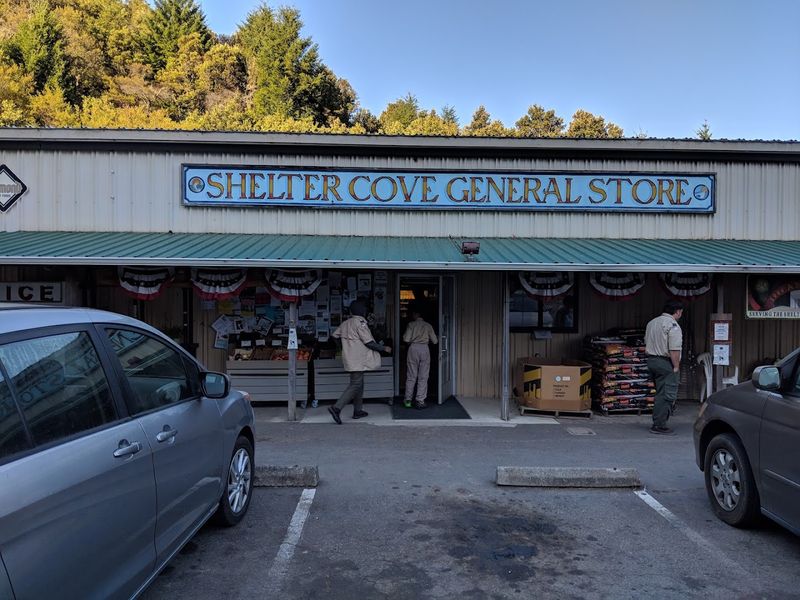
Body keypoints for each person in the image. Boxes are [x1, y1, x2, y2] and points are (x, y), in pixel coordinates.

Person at [328, 300, 391, 424]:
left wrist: (343, 347)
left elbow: (334, 336)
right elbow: (369, 342)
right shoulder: (360, 323)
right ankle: (336, 408)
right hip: (358, 359)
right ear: (362, 311)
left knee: (359, 385)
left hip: (350, 358)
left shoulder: (345, 323)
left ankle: (358, 411)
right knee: (356, 384)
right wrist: (384, 348)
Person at [645, 300, 684, 434]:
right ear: (678, 311)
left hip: (651, 360)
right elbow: (674, 349)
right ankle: (659, 425)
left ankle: (658, 421)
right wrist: (676, 366)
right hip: (665, 362)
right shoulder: (673, 325)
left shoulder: (652, 322)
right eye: (681, 312)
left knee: (660, 392)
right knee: (667, 394)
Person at [402, 304, 438, 409]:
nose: (412, 315)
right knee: (423, 376)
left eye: (413, 314)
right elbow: (435, 341)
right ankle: (420, 400)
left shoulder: (411, 324)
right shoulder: (428, 325)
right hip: (425, 349)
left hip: (413, 348)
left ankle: (408, 400)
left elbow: (406, 339)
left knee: (411, 375)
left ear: (416, 314)